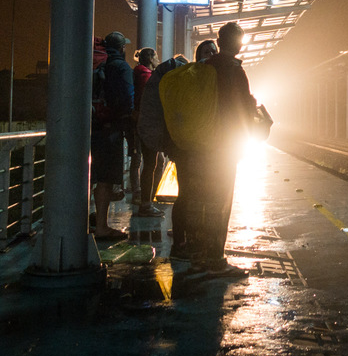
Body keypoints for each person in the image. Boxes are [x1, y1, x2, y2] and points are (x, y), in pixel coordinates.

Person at [171, 23, 255, 276]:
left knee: (199, 200)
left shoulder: (204, 67)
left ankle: (198, 255)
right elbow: (242, 109)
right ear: (239, 44)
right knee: (220, 202)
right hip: (223, 146)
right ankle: (215, 260)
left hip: (200, 144)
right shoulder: (234, 70)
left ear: (219, 41)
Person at [90, 31, 134, 240]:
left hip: (90, 126)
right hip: (111, 128)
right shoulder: (120, 66)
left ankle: (81, 221)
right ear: (121, 48)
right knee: (106, 179)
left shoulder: (95, 64)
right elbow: (127, 96)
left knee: (90, 177)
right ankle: (101, 227)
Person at [129, 47, 163, 217]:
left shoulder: (137, 73)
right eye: (156, 56)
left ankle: (144, 197)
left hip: (139, 123)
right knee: (151, 163)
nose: (158, 59)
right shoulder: (146, 76)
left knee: (142, 161)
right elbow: (148, 101)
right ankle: (146, 201)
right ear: (151, 58)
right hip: (147, 125)